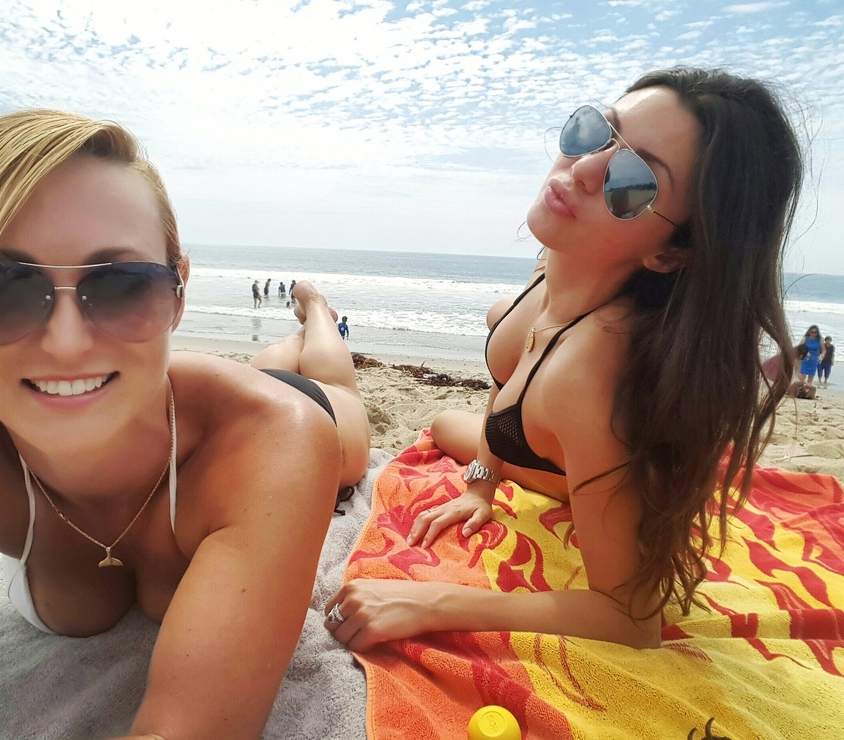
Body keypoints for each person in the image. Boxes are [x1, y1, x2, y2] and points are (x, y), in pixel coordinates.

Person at [0, 109, 371, 739]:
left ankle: (316, 313)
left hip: (299, 405)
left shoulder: (278, 436)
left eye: (121, 286)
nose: (66, 344)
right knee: (268, 366)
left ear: (178, 293)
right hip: (175, 391)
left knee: (332, 388)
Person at [325, 68, 802, 651]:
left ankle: (316, 314)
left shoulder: (590, 374)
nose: (583, 169)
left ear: (670, 253)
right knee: (448, 422)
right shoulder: (556, 261)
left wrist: (432, 603)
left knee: (450, 417)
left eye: (633, 181)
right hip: (544, 442)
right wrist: (479, 487)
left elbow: (630, 619)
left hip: (588, 469)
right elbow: (505, 384)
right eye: (597, 131)